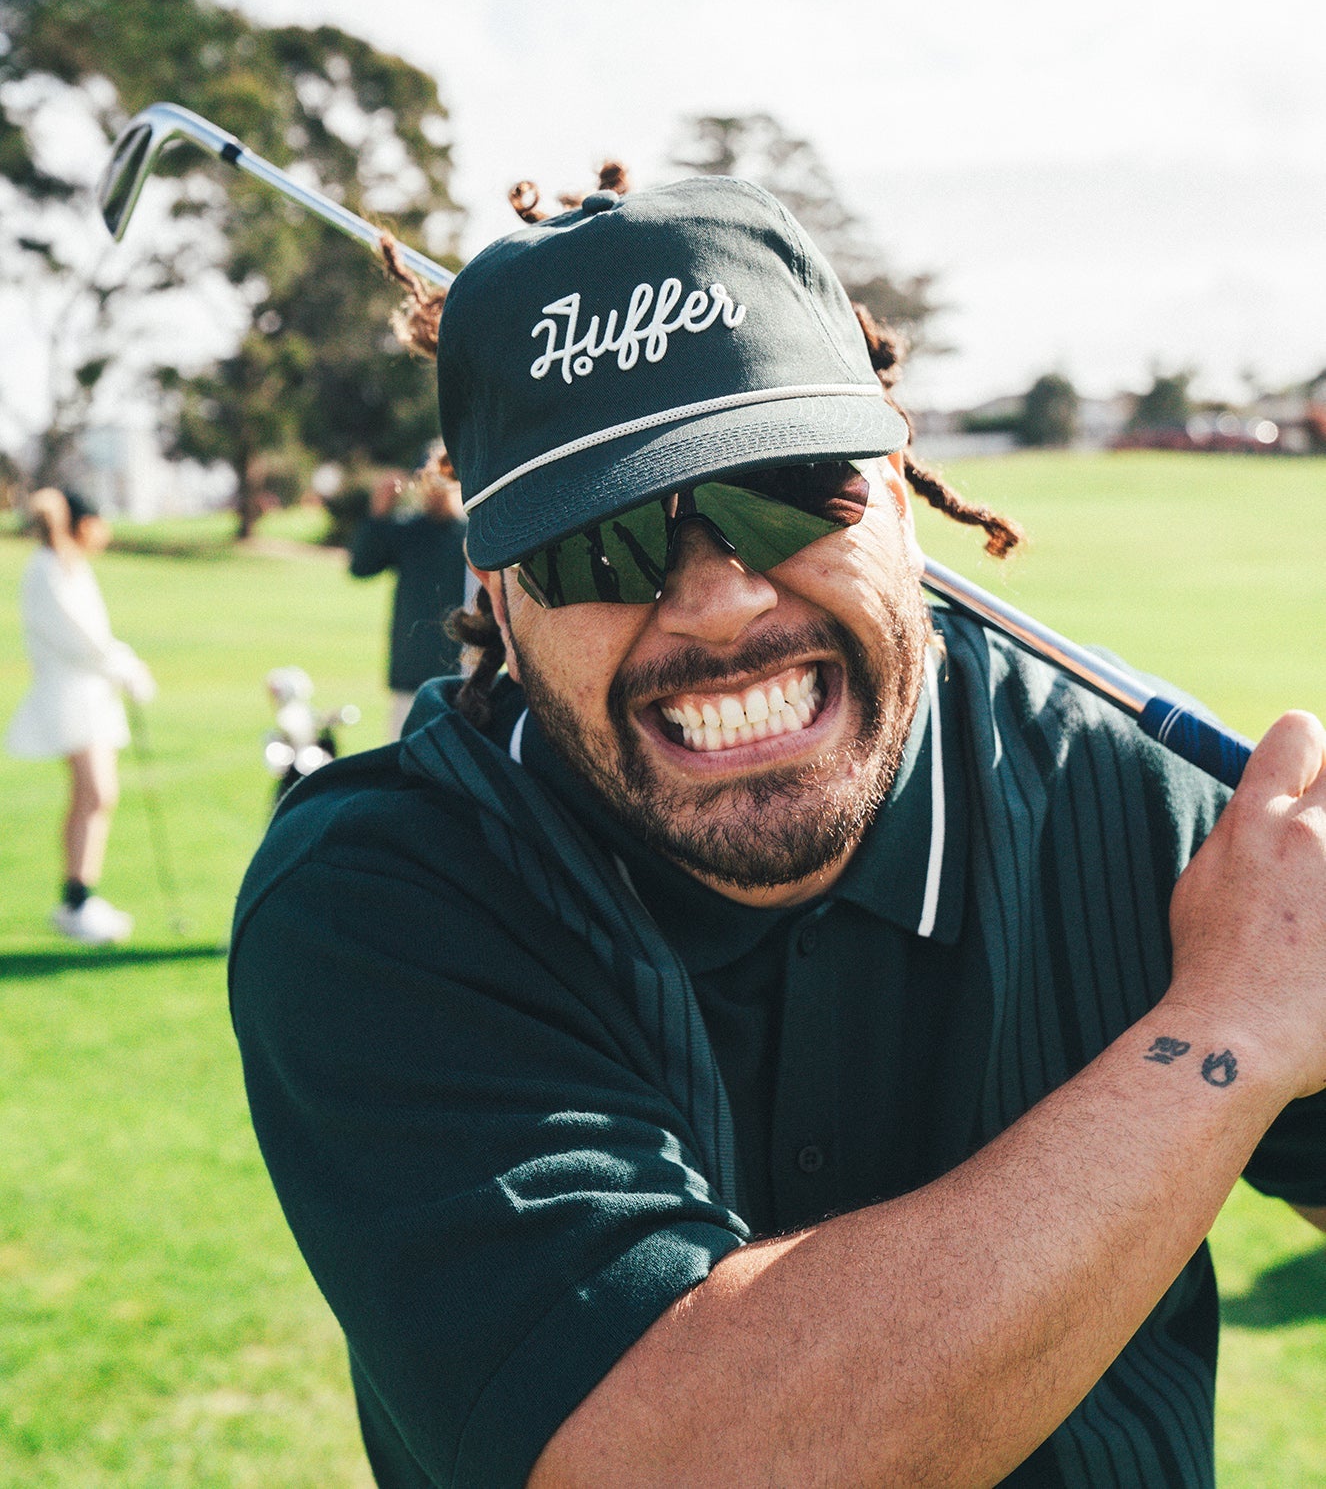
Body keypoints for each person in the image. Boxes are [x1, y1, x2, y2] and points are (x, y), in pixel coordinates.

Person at [229, 175, 1326, 1489]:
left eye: (787, 488)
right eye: (595, 540)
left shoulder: (1139, 798)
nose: (716, 600)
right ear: (499, 601)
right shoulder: (384, 897)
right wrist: (1222, 1035)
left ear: (900, 496)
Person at [8, 488, 154, 945]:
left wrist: (124, 666)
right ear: (84, 524)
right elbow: (81, 640)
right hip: (70, 698)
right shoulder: (48, 569)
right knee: (95, 794)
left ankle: (79, 897)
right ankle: (76, 902)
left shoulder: (69, 566)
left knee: (94, 796)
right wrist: (127, 668)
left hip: (88, 697)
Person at [348, 446, 469, 740]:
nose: (434, 491)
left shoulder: (471, 535)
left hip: (464, 678)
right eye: (427, 482)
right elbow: (361, 567)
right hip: (410, 675)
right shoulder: (407, 532)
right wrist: (380, 511)